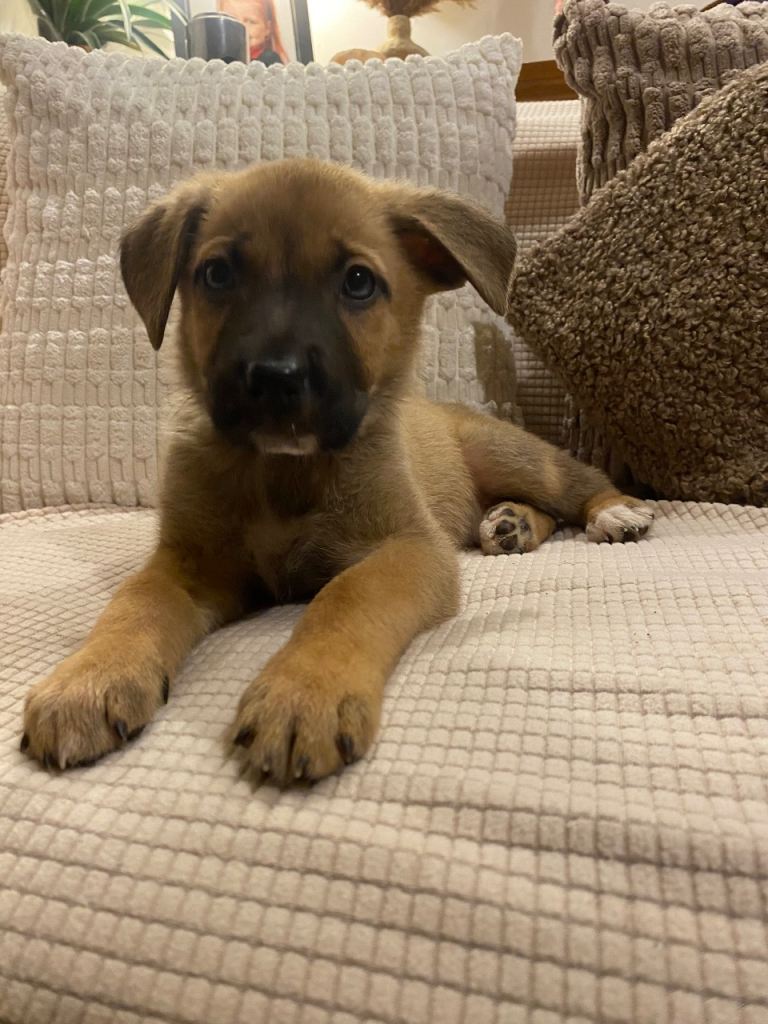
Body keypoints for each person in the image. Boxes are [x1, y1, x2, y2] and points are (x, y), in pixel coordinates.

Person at [218, 0, 289, 65]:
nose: (240, 27)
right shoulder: (221, 60)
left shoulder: (269, 60)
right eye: (231, 19)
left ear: (267, 28)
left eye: (250, 21)